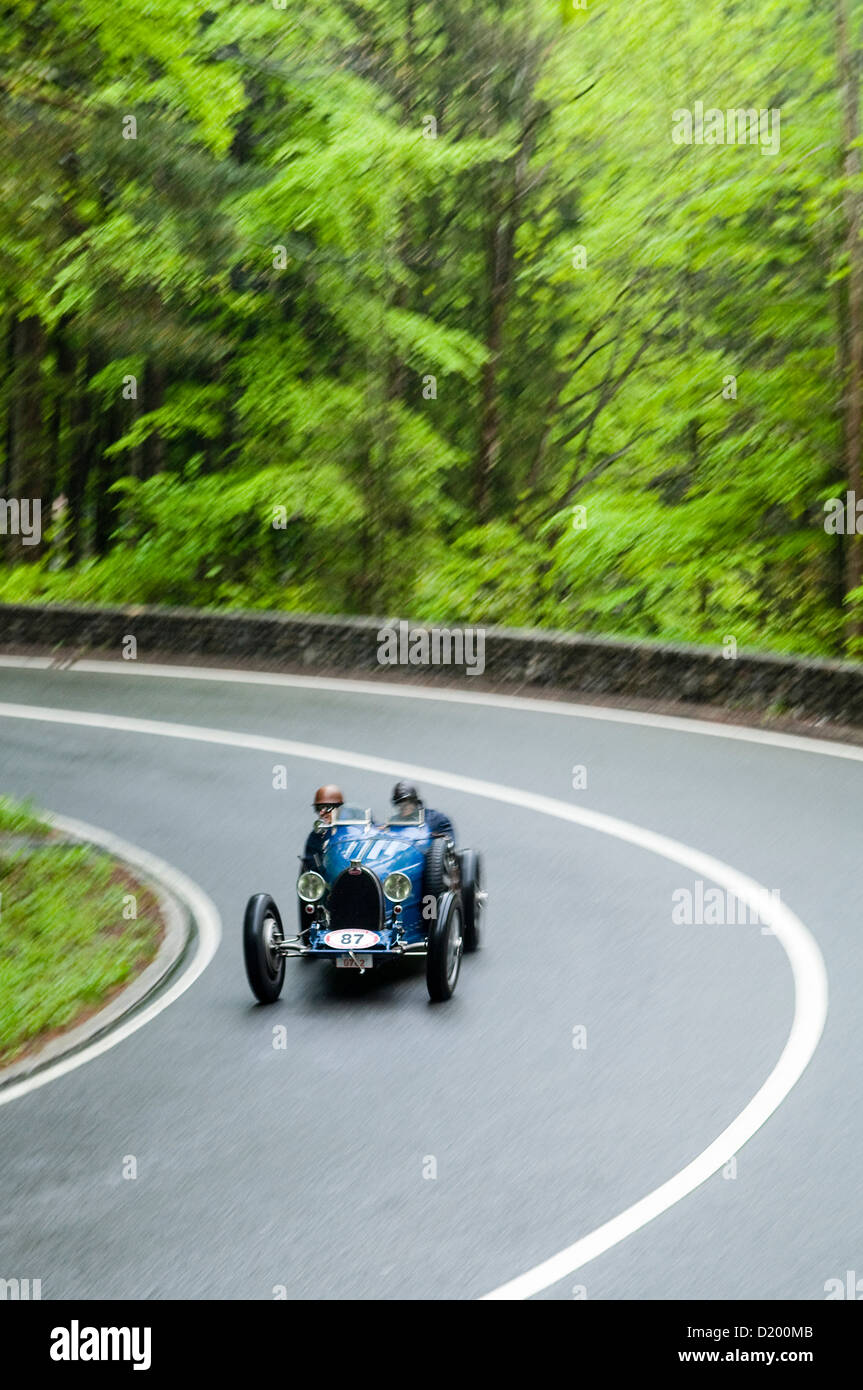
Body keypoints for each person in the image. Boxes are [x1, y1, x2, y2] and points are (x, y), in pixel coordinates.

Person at [390, 780, 455, 838]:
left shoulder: (434, 818)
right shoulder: (393, 823)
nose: (403, 808)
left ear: (414, 802)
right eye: (400, 805)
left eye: (406, 804)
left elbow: (448, 839)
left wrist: (437, 839)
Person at [301, 784, 344, 872]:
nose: (321, 813)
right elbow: (310, 865)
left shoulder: (352, 828)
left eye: (326, 808)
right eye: (318, 808)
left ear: (338, 808)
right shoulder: (317, 836)